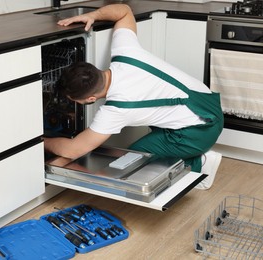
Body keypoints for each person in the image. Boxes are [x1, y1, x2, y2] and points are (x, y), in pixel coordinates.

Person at [44, 4, 224, 190]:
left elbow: (73, 150)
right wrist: (94, 15)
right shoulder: (125, 52)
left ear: (90, 99)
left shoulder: (116, 109)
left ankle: (199, 163)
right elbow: (124, 11)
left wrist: (41, 141)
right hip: (208, 105)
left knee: (133, 161)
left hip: (200, 131)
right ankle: (187, 153)